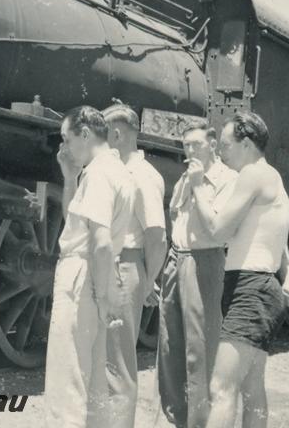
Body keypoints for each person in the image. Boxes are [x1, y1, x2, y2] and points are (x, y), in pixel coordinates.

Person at [187, 111, 289, 428]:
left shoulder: (253, 175)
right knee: (251, 389)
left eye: (226, 144)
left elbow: (218, 230)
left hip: (249, 289)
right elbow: (284, 255)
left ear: (247, 143)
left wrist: (198, 186)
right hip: (259, 287)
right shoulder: (273, 181)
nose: (221, 151)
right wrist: (287, 283)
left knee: (221, 388)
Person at [44, 105, 136, 428]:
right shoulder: (116, 172)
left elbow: (99, 242)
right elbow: (79, 224)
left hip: (83, 276)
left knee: (67, 380)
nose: (64, 148)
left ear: (84, 134)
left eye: (66, 139)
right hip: (98, 272)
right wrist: (69, 178)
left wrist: (99, 297)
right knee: (93, 380)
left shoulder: (98, 174)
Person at [156, 117, 237, 428]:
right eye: (185, 145)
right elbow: (174, 215)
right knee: (169, 344)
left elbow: (218, 231)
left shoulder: (227, 179)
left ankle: (199, 422)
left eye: (196, 144)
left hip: (205, 262)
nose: (189, 150)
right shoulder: (185, 177)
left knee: (200, 351)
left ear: (213, 144)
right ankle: (176, 418)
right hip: (177, 260)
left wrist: (200, 184)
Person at [102, 104, 167, 428]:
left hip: (125, 269)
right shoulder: (120, 173)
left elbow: (157, 237)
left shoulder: (144, 177)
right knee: (104, 364)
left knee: (118, 368)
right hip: (113, 269)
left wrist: (148, 282)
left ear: (116, 134)